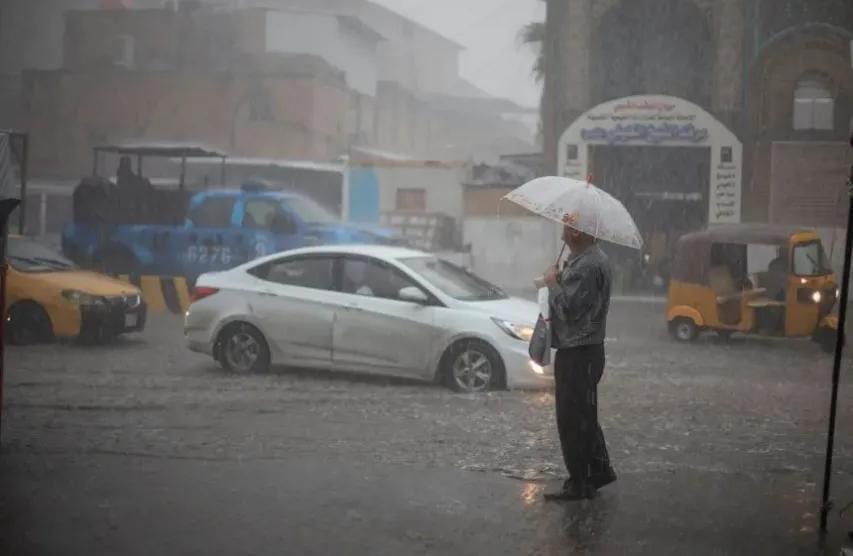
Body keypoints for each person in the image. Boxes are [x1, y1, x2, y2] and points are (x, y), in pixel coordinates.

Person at [543, 223, 617, 501]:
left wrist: (552, 284)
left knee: (572, 419)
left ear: (577, 234)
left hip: (577, 352)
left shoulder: (587, 265)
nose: (562, 233)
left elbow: (568, 310)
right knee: (585, 415)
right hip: (587, 351)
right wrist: (562, 277)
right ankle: (595, 473)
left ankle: (580, 483)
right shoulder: (590, 260)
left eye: (566, 228)